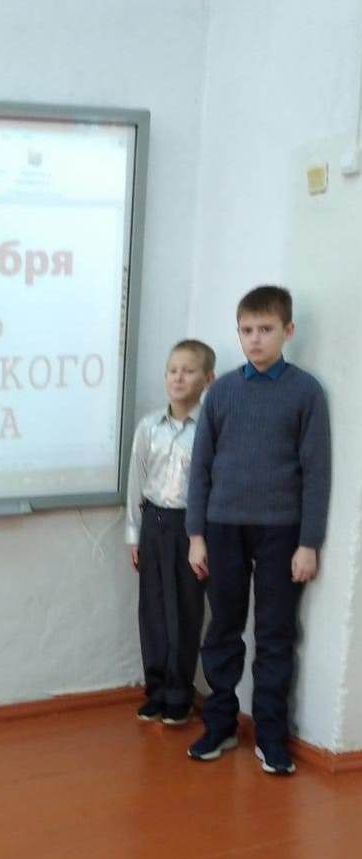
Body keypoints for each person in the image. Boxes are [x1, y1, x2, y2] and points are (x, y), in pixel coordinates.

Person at [186, 285, 331, 775]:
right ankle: (221, 724)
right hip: (222, 527)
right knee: (223, 628)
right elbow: (201, 467)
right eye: (246, 330)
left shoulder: (306, 392)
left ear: (287, 331)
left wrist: (308, 543)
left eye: (265, 329)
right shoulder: (222, 392)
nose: (255, 339)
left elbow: (316, 472)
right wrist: (196, 535)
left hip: (281, 533)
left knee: (275, 632)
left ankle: (270, 735)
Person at [125, 339, 215, 726]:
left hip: (190, 529)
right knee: (153, 610)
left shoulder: (210, 429)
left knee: (184, 611)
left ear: (207, 378)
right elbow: (136, 481)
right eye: (172, 370)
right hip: (154, 523)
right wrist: (133, 534)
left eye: (188, 370)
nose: (178, 378)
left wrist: (203, 538)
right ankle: (157, 690)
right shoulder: (149, 427)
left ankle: (180, 692)